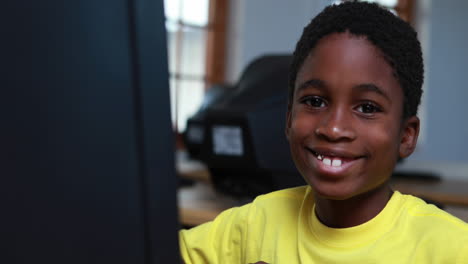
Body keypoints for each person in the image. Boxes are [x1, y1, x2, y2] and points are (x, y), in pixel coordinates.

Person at [179, 2, 468, 263]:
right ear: (289, 119)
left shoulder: (450, 249)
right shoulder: (252, 227)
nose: (333, 128)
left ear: (406, 136)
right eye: (315, 101)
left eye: (367, 107)